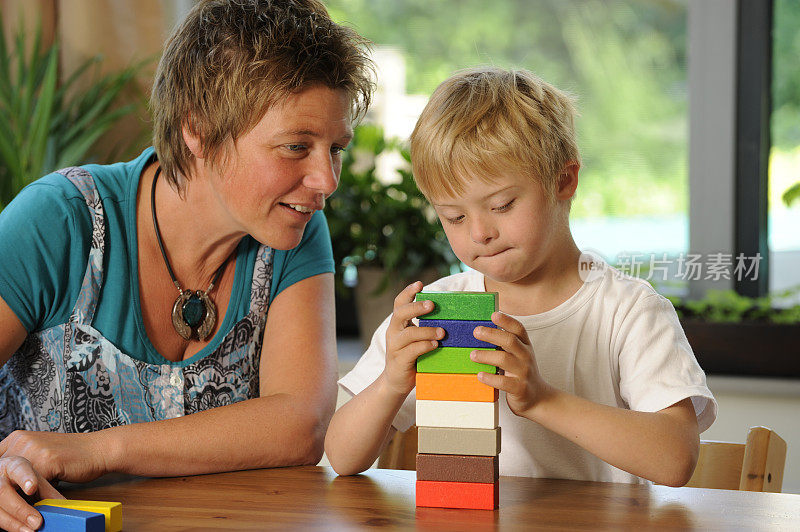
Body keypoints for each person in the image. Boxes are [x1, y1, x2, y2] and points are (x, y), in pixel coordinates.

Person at [0, 1, 373, 530]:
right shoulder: (59, 219)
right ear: (196, 131)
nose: (326, 180)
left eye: (334, 148)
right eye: (296, 147)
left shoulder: (294, 228)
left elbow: (302, 425)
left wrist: (99, 449)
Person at [325, 67, 717, 485]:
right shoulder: (438, 312)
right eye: (453, 216)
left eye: (502, 205)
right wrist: (390, 384)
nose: (480, 232)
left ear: (563, 181)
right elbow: (342, 457)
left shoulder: (629, 311)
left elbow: (674, 460)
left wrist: (541, 399)